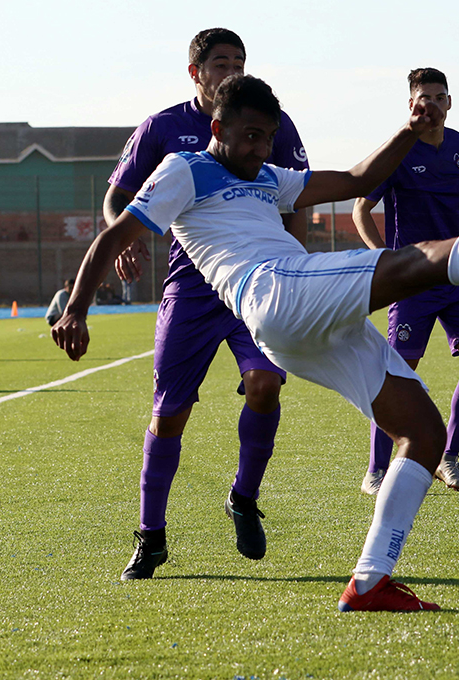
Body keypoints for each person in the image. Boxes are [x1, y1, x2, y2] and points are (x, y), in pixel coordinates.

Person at [53, 75, 459, 611]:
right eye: (250, 135)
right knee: (412, 264)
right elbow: (114, 236)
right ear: (217, 129)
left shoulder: (266, 178)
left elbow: (359, 180)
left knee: (425, 434)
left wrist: (410, 130)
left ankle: (369, 581)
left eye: (268, 137)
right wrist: (77, 310)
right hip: (275, 292)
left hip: (297, 326)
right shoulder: (182, 169)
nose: (261, 147)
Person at [102, 28, 309, 580]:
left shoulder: (269, 119)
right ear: (195, 72)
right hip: (191, 288)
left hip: (257, 285)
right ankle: (151, 537)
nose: (232, 70)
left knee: (265, 386)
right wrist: (125, 241)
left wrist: (296, 263)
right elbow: (119, 197)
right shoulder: (164, 129)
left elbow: (301, 195)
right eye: (221, 62)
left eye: (240, 61)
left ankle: (243, 496)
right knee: (170, 416)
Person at [354, 67, 459, 495]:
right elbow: (361, 209)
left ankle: (447, 457)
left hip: (458, 274)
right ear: (411, 105)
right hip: (413, 279)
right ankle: (376, 470)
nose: (431, 104)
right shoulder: (398, 151)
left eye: (439, 96)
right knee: (399, 373)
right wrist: (385, 259)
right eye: (423, 98)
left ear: (449, 102)